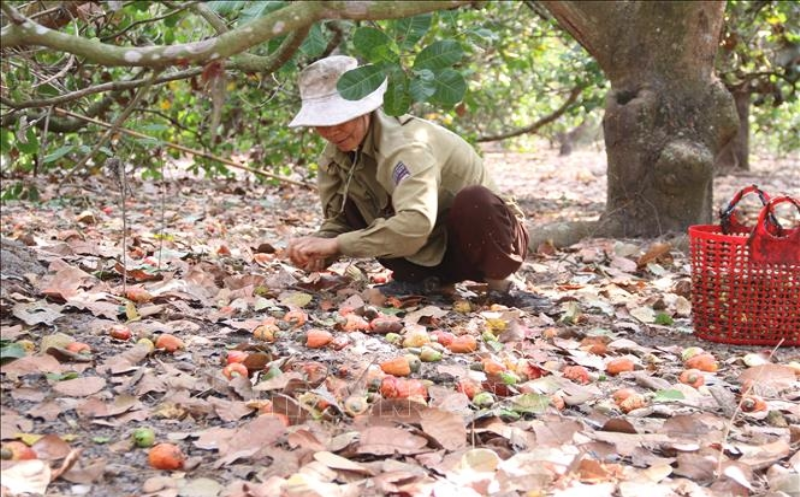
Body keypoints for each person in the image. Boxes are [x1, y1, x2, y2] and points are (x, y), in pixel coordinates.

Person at [285, 55, 548, 309]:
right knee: (358, 209)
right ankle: (423, 281)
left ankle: (502, 287)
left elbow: (416, 224)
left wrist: (338, 244)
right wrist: (319, 247)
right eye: (321, 122)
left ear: (364, 109)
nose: (332, 131)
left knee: (475, 201)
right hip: (425, 254)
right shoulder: (333, 158)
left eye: (340, 119)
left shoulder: (406, 146)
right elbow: (340, 220)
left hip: (479, 246)